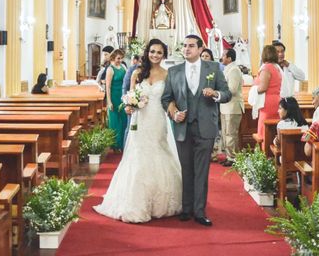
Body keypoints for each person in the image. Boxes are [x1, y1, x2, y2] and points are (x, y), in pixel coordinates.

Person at [94, 39, 182, 223]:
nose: (155, 55)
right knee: (138, 155)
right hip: (139, 120)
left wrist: (175, 113)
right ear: (147, 53)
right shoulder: (137, 73)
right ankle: (135, 201)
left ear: (164, 55)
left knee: (159, 152)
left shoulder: (167, 75)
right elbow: (131, 96)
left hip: (158, 119)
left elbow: (170, 100)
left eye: (159, 52)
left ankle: (160, 202)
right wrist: (129, 106)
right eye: (152, 51)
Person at [161, 34, 231, 226]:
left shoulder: (214, 68)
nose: (186, 49)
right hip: (183, 127)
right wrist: (174, 114)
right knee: (186, 169)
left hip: (206, 126)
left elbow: (227, 94)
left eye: (191, 46)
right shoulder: (174, 71)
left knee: (202, 170)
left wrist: (215, 94)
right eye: (184, 46)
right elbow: (166, 99)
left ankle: (199, 211)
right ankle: (186, 208)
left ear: (200, 49)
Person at [220, 49, 244, 167]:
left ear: (229, 58)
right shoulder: (227, 69)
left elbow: (232, 89)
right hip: (225, 106)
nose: (222, 57)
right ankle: (229, 156)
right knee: (225, 133)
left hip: (232, 107)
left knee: (231, 134)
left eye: (224, 55)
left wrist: (218, 91)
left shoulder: (234, 70)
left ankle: (233, 158)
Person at [254, 45, 283, 142]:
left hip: (267, 102)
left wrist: (254, 90)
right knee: (273, 128)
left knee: (264, 129)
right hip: (276, 100)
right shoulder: (276, 68)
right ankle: (272, 149)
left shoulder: (266, 68)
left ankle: (265, 151)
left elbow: (263, 88)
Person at [105, 49, 127, 151]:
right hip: (113, 96)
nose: (120, 60)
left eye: (122, 58)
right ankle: (114, 145)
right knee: (114, 121)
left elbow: (127, 80)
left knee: (124, 120)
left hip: (122, 96)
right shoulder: (110, 69)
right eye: (118, 58)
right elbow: (108, 87)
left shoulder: (123, 67)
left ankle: (123, 143)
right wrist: (109, 101)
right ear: (113, 57)